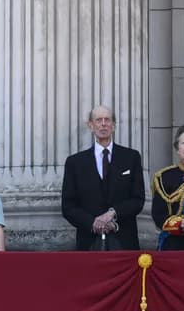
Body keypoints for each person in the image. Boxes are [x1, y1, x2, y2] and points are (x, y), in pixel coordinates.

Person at [60, 105, 145, 250]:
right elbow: (68, 206)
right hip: (88, 242)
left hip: (124, 240)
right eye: (99, 120)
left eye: (107, 120)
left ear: (114, 125)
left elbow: (138, 199)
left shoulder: (131, 157)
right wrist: (93, 223)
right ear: (91, 126)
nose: (103, 124)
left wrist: (113, 214)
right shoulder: (75, 162)